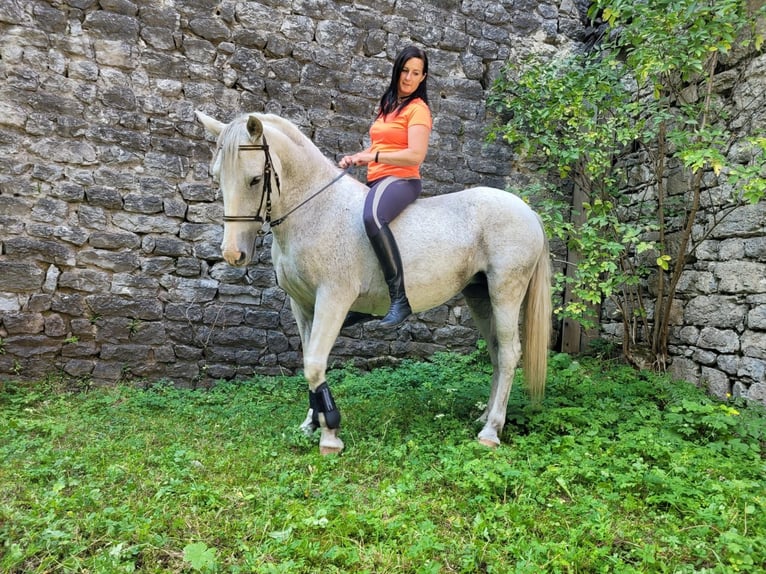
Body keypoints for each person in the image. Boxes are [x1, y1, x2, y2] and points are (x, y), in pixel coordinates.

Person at [339, 45, 432, 328]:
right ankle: (368, 302)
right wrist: (359, 156)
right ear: (397, 70)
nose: (408, 77)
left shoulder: (418, 110)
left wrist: (373, 156)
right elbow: (380, 144)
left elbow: (415, 155)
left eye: (415, 73)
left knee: (372, 216)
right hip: (377, 178)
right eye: (405, 70)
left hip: (402, 180)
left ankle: (400, 300)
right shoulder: (388, 104)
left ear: (422, 77)